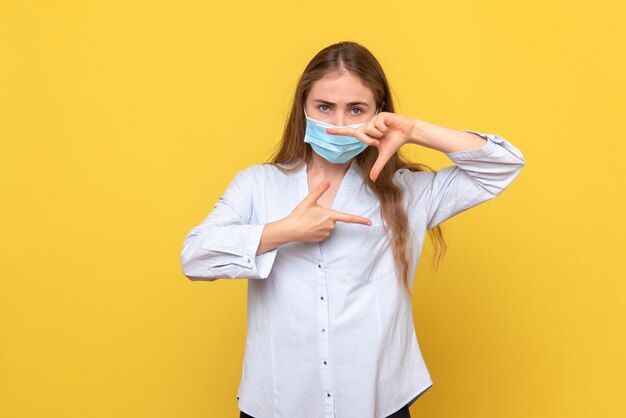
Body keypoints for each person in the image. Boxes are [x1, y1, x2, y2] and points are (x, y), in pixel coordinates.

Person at [180, 41, 526, 418]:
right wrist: (285, 229)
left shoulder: (409, 192)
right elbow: (195, 257)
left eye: (356, 110)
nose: (339, 125)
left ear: (379, 113)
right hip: (279, 405)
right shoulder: (257, 185)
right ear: (304, 108)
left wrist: (414, 130)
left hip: (379, 403)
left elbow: (503, 166)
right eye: (324, 107)